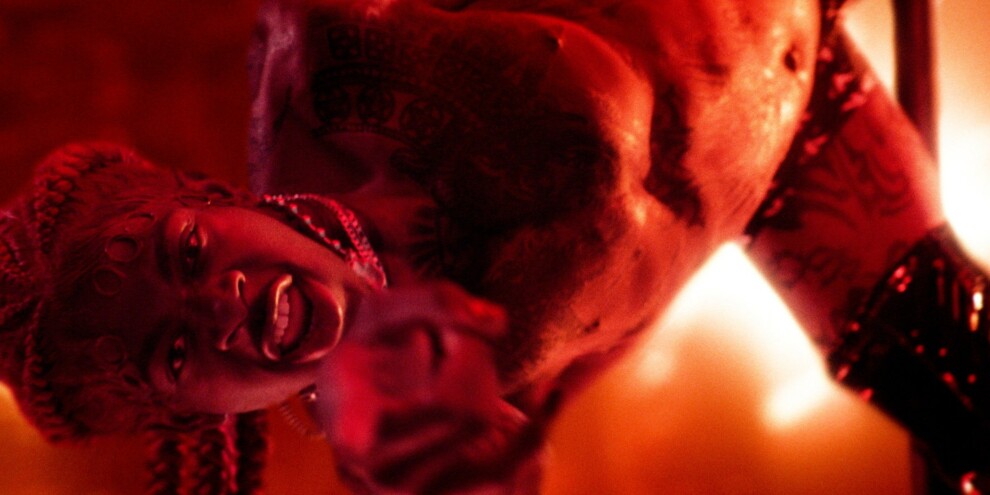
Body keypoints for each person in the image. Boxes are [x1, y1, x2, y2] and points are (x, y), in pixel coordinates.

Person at [0, 0, 984, 493]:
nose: (217, 303)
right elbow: (602, 320)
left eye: (185, 253)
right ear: (206, 420)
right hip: (796, 146)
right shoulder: (424, 412)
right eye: (176, 353)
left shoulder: (327, 52)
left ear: (212, 199)